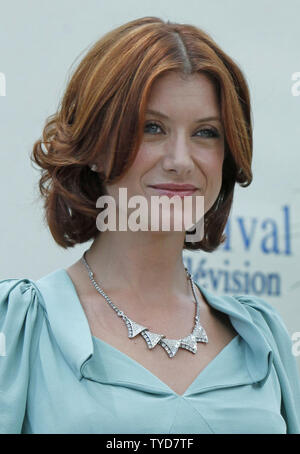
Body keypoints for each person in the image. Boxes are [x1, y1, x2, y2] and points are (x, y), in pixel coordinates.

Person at [0, 16, 299, 435]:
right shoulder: (18, 326)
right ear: (96, 146)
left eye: (206, 133)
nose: (180, 159)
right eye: (152, 128)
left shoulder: (261, 337)